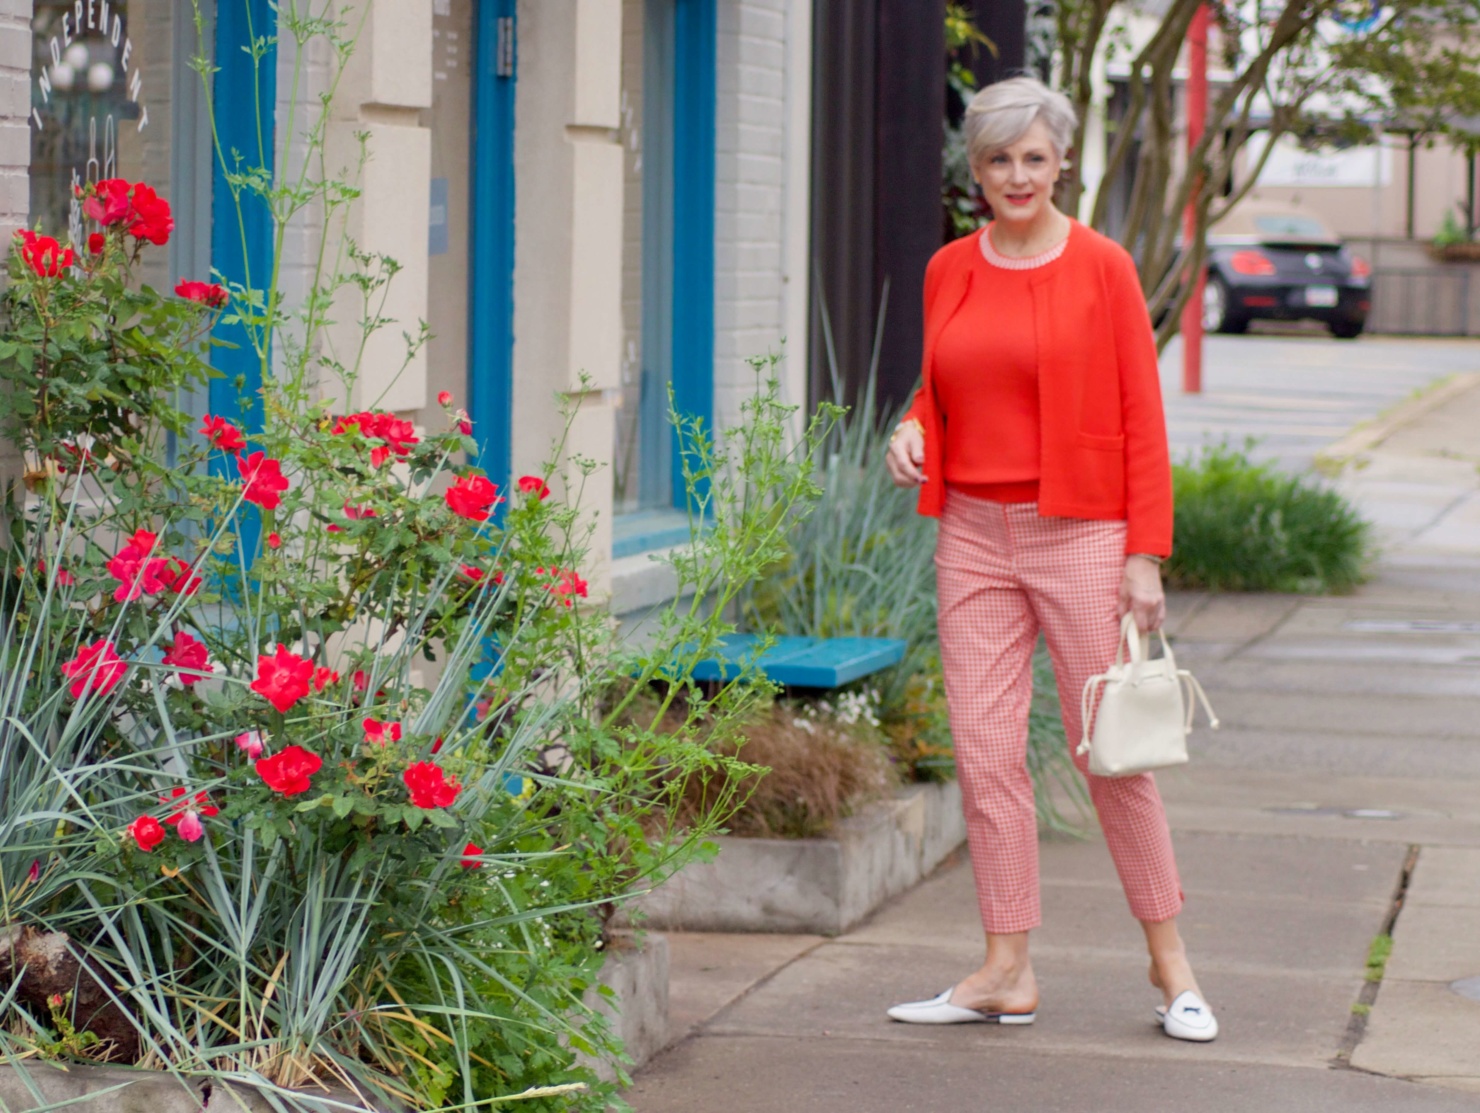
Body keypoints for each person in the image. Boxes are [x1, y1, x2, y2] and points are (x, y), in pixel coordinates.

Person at [882, 75, 1216, 1043]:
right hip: (972, 536)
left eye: (1034, 157)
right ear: (974, 170)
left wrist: (1143, 554)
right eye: (997, 159)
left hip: (1079, 533)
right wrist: (910, 426)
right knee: (986, 758)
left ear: (1061, 161)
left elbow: (1138, 419)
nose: (1016, 175)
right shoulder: (950, 269)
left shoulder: (1103, 267)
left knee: (1110, 753)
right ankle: (1005, 969)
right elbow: (942, 382)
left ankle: (1171, 967)